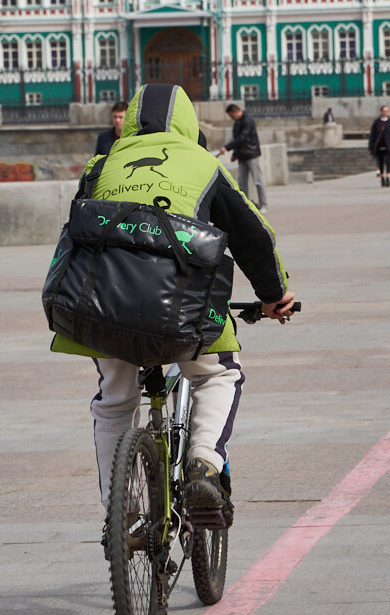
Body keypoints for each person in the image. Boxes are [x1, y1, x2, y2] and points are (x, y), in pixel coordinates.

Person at [65, 83, 296, 535]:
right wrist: (273, 295)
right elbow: (254, 235)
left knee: (115, 402)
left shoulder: (101, 165)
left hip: (102, 305)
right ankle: (205, 465)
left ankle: (121, 514)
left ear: (129, 121)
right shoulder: (203, 164)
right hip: (181, 308)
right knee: (216, 374)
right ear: (189, 124)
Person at [219, 103, 267, 214]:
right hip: (241, 156)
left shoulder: (248, 121)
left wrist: (226, 147)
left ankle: (264, 204)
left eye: (231, 115)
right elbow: (237, 139)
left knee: (258, 180)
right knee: (242, 182)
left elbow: (242, 138)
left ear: (235, 111)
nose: (231, 118)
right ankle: (245, 205)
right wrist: (235, 154)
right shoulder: (237, 122)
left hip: (251, 155)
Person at [368, 104, 390, 186]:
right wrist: (370, 148)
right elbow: (372, 136)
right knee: (380, 163)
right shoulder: (376, 122)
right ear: (381, 111)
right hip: (379, 146)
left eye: (387, 111)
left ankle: (388, 178)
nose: (385, 112)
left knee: (388, 162)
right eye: (384, 111)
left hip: (388, 146)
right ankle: (382, 178)